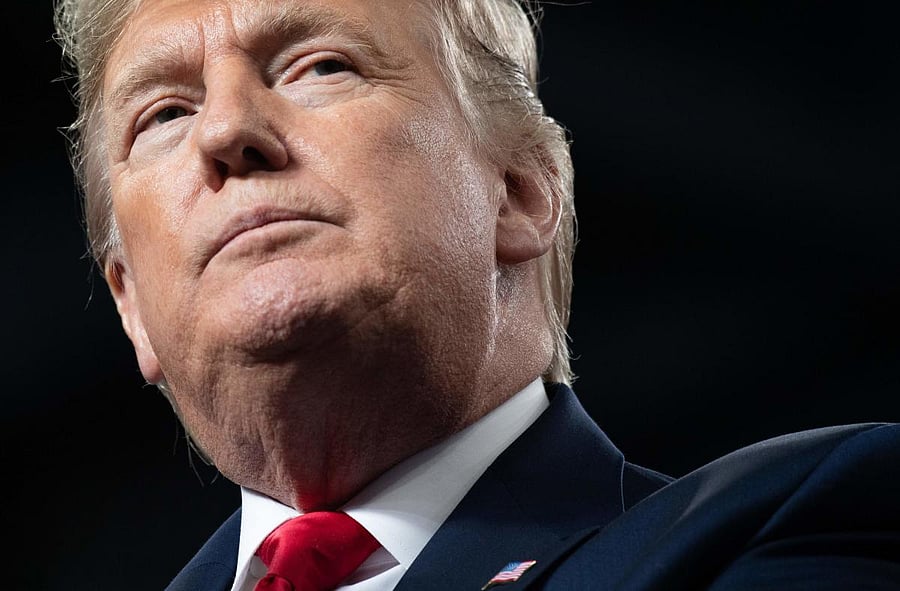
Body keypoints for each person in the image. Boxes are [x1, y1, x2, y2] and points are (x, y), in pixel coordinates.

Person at [54, 0, 899, 589]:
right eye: (163, 114)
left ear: (520, 192)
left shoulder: (786, 523)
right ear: (130, 303)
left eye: (320, 66)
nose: (226, 129)